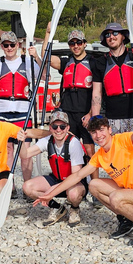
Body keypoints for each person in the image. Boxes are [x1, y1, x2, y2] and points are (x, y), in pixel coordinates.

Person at [35, 115, 133, 246]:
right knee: (94, 184)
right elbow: (77, 176)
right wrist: (49, 195)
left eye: (101, 130)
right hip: (131, 194)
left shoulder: (122, 140)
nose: (98, 135)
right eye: (94, 132)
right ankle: (126, 220)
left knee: (116, 197)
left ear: (110, 130)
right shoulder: (99, 156)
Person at [0, 31, 40, 183]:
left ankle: (27, 186)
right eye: (6, 45)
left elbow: (44, 74)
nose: (9, 48)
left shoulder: (27, 62)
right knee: (7, 151)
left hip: (22, 112)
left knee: (25, 152)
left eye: (12, 45)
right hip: (2, 112)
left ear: (18, 45)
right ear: (2, 46)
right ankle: (10, 186)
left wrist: (37, 57)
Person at [90, 23, 133, 153]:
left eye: (115, 33)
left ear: (123, 36)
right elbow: (96, 93)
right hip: (114, 117)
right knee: (118, 155)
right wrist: (95, 119)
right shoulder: (100, 63)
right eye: (107, 35)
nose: (111, 37)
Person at [21, 110, 89, 228]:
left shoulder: (74, 143)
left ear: (67, 127)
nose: (58, 130)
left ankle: (74, 208)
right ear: (50, 128)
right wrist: (21, 141)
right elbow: (25, 155)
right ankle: (57, 208)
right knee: (27, 187)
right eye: (55, 126)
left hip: (75, 182)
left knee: (73, 195)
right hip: (57, 178)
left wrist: (52, 191)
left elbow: (75, 177)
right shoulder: (47, 140)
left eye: (62, 126)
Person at [43, 27, 97, 164]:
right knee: (69, 149)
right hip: (68, 113)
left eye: (79, 42)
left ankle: (93, 182)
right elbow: (45, 56)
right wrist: (48, 33)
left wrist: (91, 113)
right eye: (72, 43)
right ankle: (73, 180)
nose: (76, 46)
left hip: (84, 112)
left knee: (90, 151)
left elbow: (98, 92)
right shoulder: (66, 62)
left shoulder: (93, 63)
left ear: (84, 43)